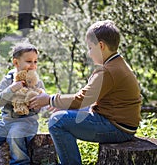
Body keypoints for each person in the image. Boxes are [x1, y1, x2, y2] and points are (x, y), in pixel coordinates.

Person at [29, 20, 142, 165]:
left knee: (57, 122)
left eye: (90, 48)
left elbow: (81, 99)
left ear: (101, 46)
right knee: (63, 115)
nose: (89, 53)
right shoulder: (117, 63)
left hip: (117, 127)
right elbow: (89, 98)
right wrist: (66, 105)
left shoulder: (107, 71)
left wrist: (49, 99)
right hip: (121, 122)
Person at [0, 42, 45, 165]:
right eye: (29, 61)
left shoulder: (36, 82)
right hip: (6, 122)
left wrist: (35, 104)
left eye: (35, 62)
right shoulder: (8, 80)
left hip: (26, 122)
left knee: (15, 136)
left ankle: (20, 163)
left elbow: (41, 104)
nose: (33, 65)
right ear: (16, 62)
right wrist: (12, 88)